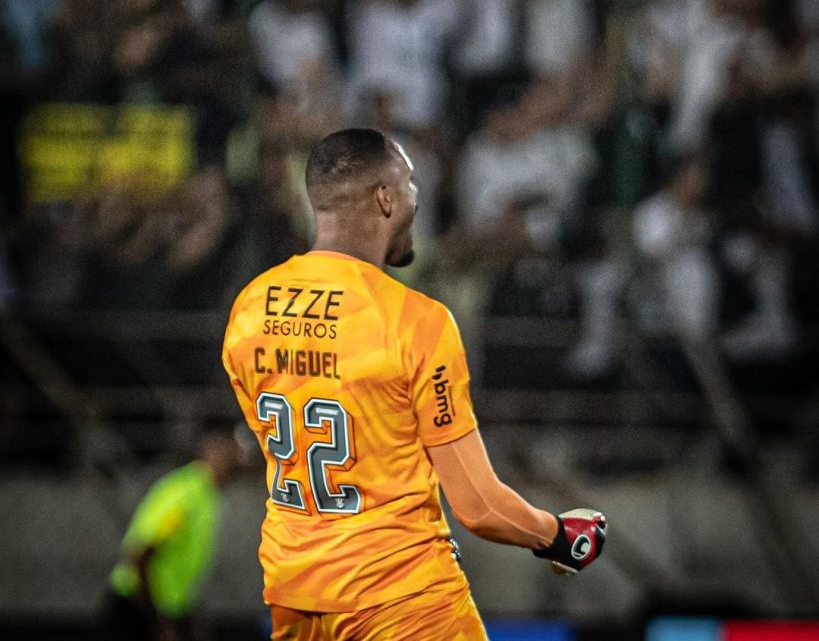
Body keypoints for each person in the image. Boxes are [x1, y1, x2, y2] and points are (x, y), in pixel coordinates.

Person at [222, 128, 607, 641]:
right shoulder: (414, 321)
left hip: (297, 602)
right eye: (409, 183)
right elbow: (479, 505)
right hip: (403, 603)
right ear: (384, 198)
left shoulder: (251, 307)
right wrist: (559, 536)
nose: (416, 199)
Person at [103, 431, 244, 641]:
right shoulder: (185, 493)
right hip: (136, 607)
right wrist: (158, 622)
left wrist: (187, 619)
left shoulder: (209, 497)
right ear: (210, 455)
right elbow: (140, 555)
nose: (235, 465)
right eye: (229, 458)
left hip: (165, 608)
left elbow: (180, 567)